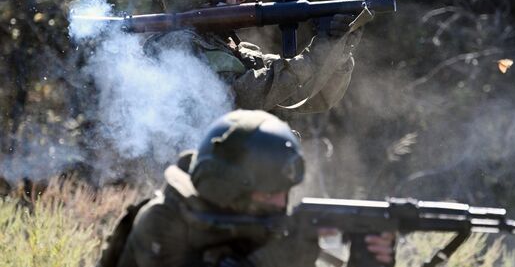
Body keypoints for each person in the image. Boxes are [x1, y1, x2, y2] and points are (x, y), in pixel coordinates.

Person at [98, 110, 394, 267]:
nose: (281, 204)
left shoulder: (253, 227)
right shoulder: (163, 221)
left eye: (284, 191)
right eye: (268, 193)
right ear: (227, 190)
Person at [144, 0, 366, 114]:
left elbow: (307, 97)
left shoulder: (235, 49)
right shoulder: (174, 46)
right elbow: (241, 98)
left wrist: (338, 52)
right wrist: (314, 55)